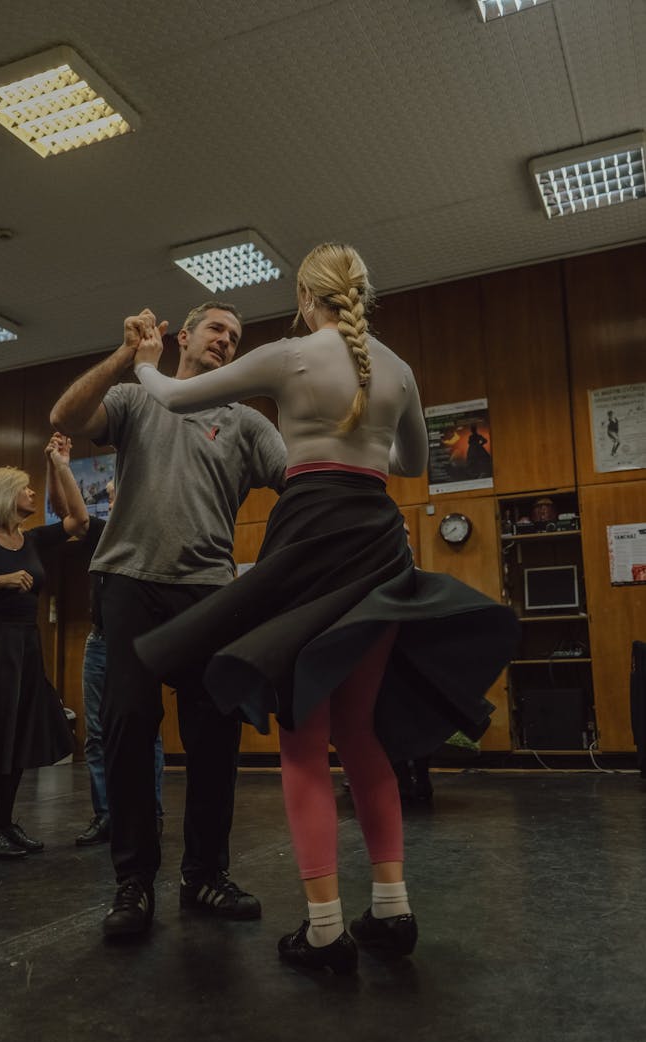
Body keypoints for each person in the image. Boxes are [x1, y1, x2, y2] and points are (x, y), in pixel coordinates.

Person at [130, 243, 520, 974]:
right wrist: (364, 436)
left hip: (311, 535)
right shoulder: (399, 370)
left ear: (306, 298)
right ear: (362, 295)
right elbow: (413, 464)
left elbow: (178, 398)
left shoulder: (290, 356)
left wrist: (147, 363)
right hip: (376, 538)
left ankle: (324, 929)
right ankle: (393, 911)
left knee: (303, 739)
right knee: (361, 733)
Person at [49, 301, 287, 938]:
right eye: (216, 329)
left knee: (215, 736)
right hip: (129, 582)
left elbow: (299, 480)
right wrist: (127, 355)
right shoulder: (136, 397)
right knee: (128, 726)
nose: (227, 341)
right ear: (184, 336)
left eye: (235, 336)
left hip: (208, 593)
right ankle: (133, 883)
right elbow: (65, 416)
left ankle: (205, 875)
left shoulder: (246, 423)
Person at [0, 436, 89, 860]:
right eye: (24, 487)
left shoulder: (33, 540)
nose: (31, 492)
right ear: (4, 495)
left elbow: (79, 519)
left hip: (25, 648)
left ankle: (4, 823)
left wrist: (58, 464)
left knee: (18, 736)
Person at [46, 464, 165, 847]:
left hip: (140, 643)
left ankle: (152, 814)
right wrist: (59, 466)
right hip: (100, 642)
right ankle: (107, 815)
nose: (110, 503)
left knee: (147, 731)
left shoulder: (151, 534)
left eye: (115, 496)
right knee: (97, 734)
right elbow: (71, 512)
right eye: (109, 497)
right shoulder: (102, 533)